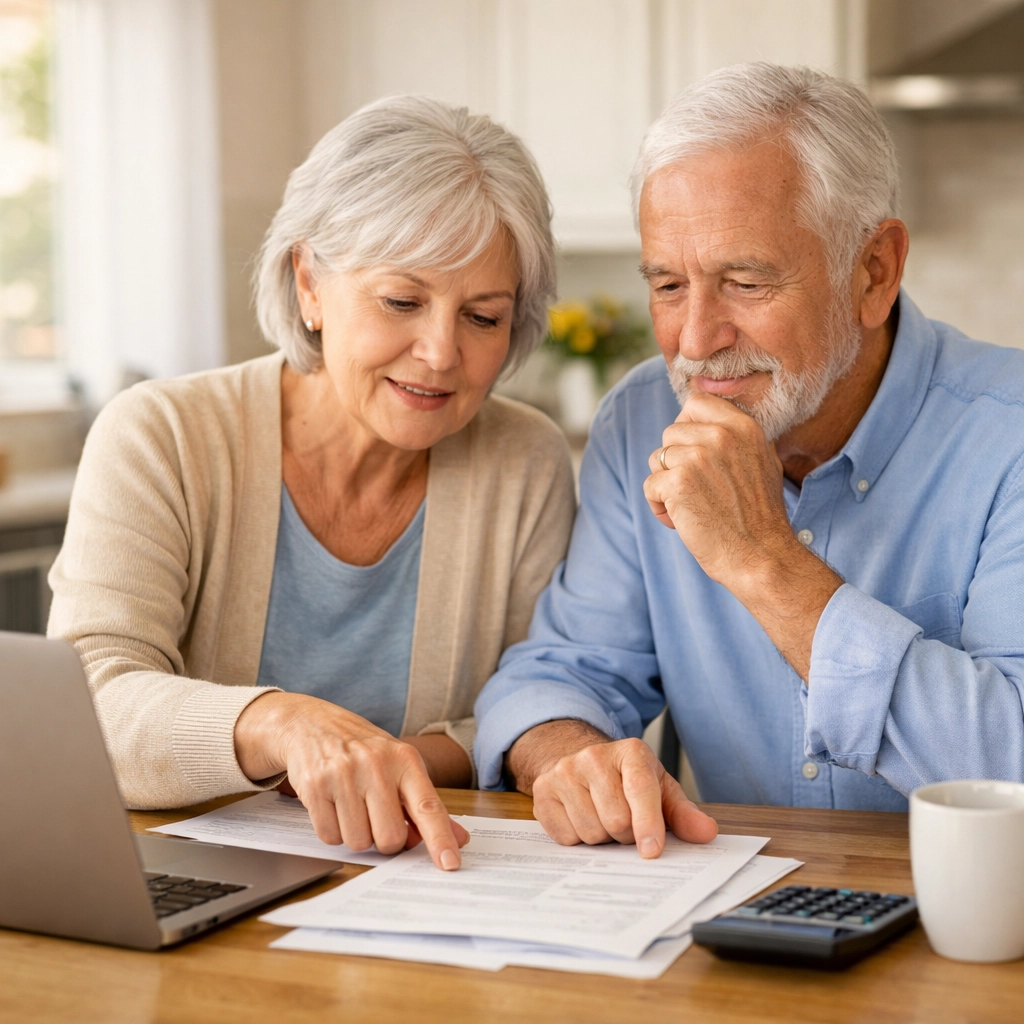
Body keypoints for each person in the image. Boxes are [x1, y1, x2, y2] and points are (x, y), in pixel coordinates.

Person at [475, 62, 1024, 858]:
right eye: (668, 285)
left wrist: (761, 558)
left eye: (745, 281)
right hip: (739, 923)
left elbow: (1013, 761)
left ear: (874, 273)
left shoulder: (1009, 436)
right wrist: (569, 755)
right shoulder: (640, 420)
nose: (696, 342)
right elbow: (560, 674)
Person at [48, 96, 575, 872]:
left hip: (427, 875)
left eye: (483, 317)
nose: (439, 353)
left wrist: (365, 768)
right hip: (181, 882)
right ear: (310, 284)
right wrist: (282, 728)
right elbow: (87, 704)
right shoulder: (163, 434)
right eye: (403, 301)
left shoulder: (526, 460)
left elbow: (527, 705)